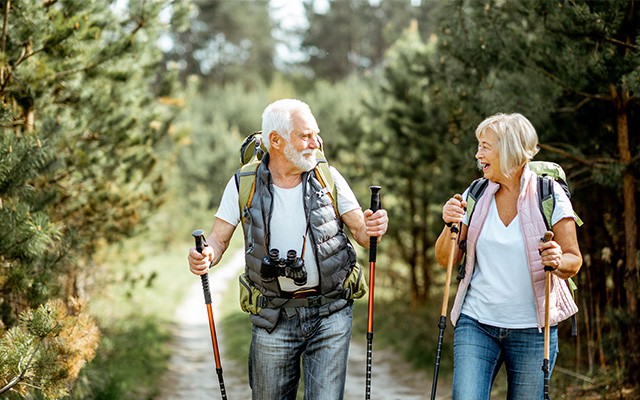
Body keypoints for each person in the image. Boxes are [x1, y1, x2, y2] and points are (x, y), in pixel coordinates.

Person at [187, 98, 388, 400]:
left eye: (316, 134)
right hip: (273, 315)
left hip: (331, 312)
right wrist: (206, 256)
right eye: (305, 135)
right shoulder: (244, 183)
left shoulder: (327, 176)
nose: (315, 142)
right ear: (276, 140)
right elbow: (218, 239)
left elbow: (361, 231)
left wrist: (374, 226)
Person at [435, 112, 582, 400]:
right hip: (476, 322)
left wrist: (556, 259)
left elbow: (573, 260)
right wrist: (449, 224)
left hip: (533, 330)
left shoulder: (548, 194)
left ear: (510, 149)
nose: (478, 154)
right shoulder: (475, 193)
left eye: (485, 146)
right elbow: (446, 260)